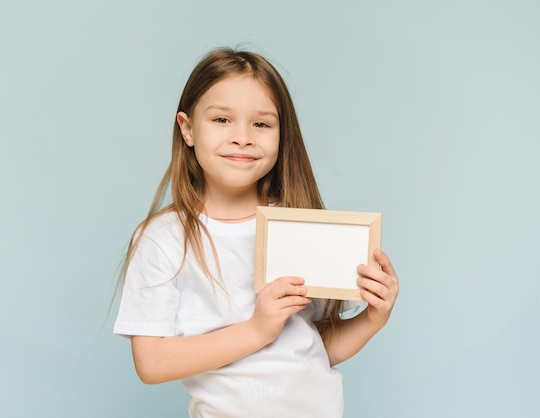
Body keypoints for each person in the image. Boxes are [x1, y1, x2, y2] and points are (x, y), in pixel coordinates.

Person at [113, 47, 399, 418]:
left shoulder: (299, 226)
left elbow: (312, 347)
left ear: (282, 134)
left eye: (261, 124)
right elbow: (150, 363)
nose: (243, 137)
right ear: (187, 128)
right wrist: (257, 330)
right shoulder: (163, 238)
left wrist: (372, 318)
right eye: (221, 120)